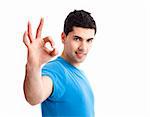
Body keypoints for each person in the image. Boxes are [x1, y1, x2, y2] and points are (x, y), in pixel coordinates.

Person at [23, 10, 97, 117]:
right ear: (63, 37)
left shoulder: (80, 74)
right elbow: (34, 97)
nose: (83, 47)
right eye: (77, 39)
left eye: (89, 40)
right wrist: (33, 65)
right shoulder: (56, 70)